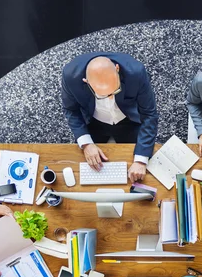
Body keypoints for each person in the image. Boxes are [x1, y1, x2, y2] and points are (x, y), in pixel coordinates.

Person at [61, 52, 159, 183]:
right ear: (87, 82)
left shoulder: (136, 72)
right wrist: (86, 143)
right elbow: (71, 110)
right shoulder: (70, 76)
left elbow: (149, 114)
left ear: (117, 69)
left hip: (128, 120)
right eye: (103, 95)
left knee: (144, 171)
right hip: (93, 122)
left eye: (116, 91)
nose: (111, 98)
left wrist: (141, 160)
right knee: (79, 167)